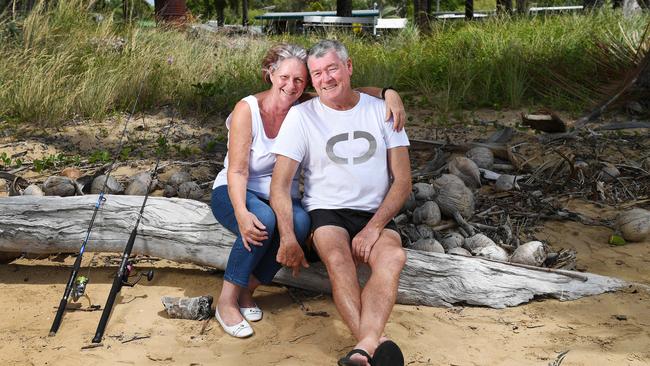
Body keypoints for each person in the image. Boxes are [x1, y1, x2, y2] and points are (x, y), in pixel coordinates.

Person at [210, 43, 407, 338]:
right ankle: (227, 300)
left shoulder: (301, 102)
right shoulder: (249, 109)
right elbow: (237, 170)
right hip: (237, 187)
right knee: (263, 218)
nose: (291, 86)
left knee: (301, 224)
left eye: (300, 80)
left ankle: (248, 289)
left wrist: (389, 93)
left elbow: (350, 91)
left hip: (280, 195)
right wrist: (241, 212)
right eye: (285, 78)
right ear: (270, 74)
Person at [270, 40, 411, 366]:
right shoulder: (302, 117)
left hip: (374, 212)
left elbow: (403, 181)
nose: (325, 78)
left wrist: (373, 228)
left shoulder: (382, 111)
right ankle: (375, 341)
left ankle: (364, 347)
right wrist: (289, 235)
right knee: (337, 258)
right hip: (326, 211)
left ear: (348, 68)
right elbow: (280, 185)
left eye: (332, 68)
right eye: (317, 73)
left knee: (393, 257)